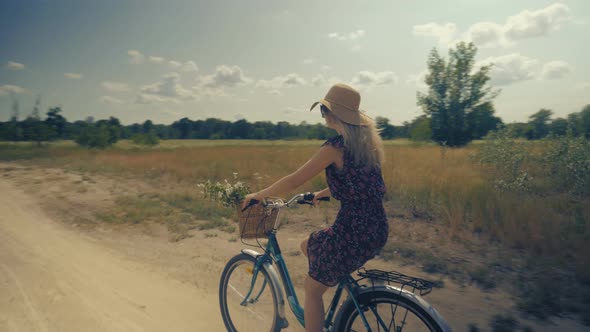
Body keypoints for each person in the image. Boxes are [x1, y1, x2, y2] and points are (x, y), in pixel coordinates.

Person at [242, 83, 389, 332]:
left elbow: (294, 179)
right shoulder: (366, 146)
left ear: (334, 115)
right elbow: (360, 185)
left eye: (323, 110)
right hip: (376, 228)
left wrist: (259, 194)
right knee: (308, 246)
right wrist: (322, 193)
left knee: (311, 290)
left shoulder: (334, 147)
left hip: (351, 231)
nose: (323, 115)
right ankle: (333, 286)